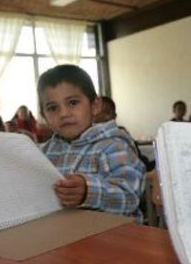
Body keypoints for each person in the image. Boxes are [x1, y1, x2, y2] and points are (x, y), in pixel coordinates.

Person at [37, 64, 146, 217]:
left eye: (73, 103)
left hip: (115, 234)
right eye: (53, 108)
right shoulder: (45, 151)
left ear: (95, 106)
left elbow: (130, 198)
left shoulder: (113, 146)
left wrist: (88, 192)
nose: (64, 113)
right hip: (64, 232)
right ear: (44, 116)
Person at [94, 95, 155, 171]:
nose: (92, 114)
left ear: (108, 115)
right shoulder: (89, 137)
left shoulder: (117, 138)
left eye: (95, 110)